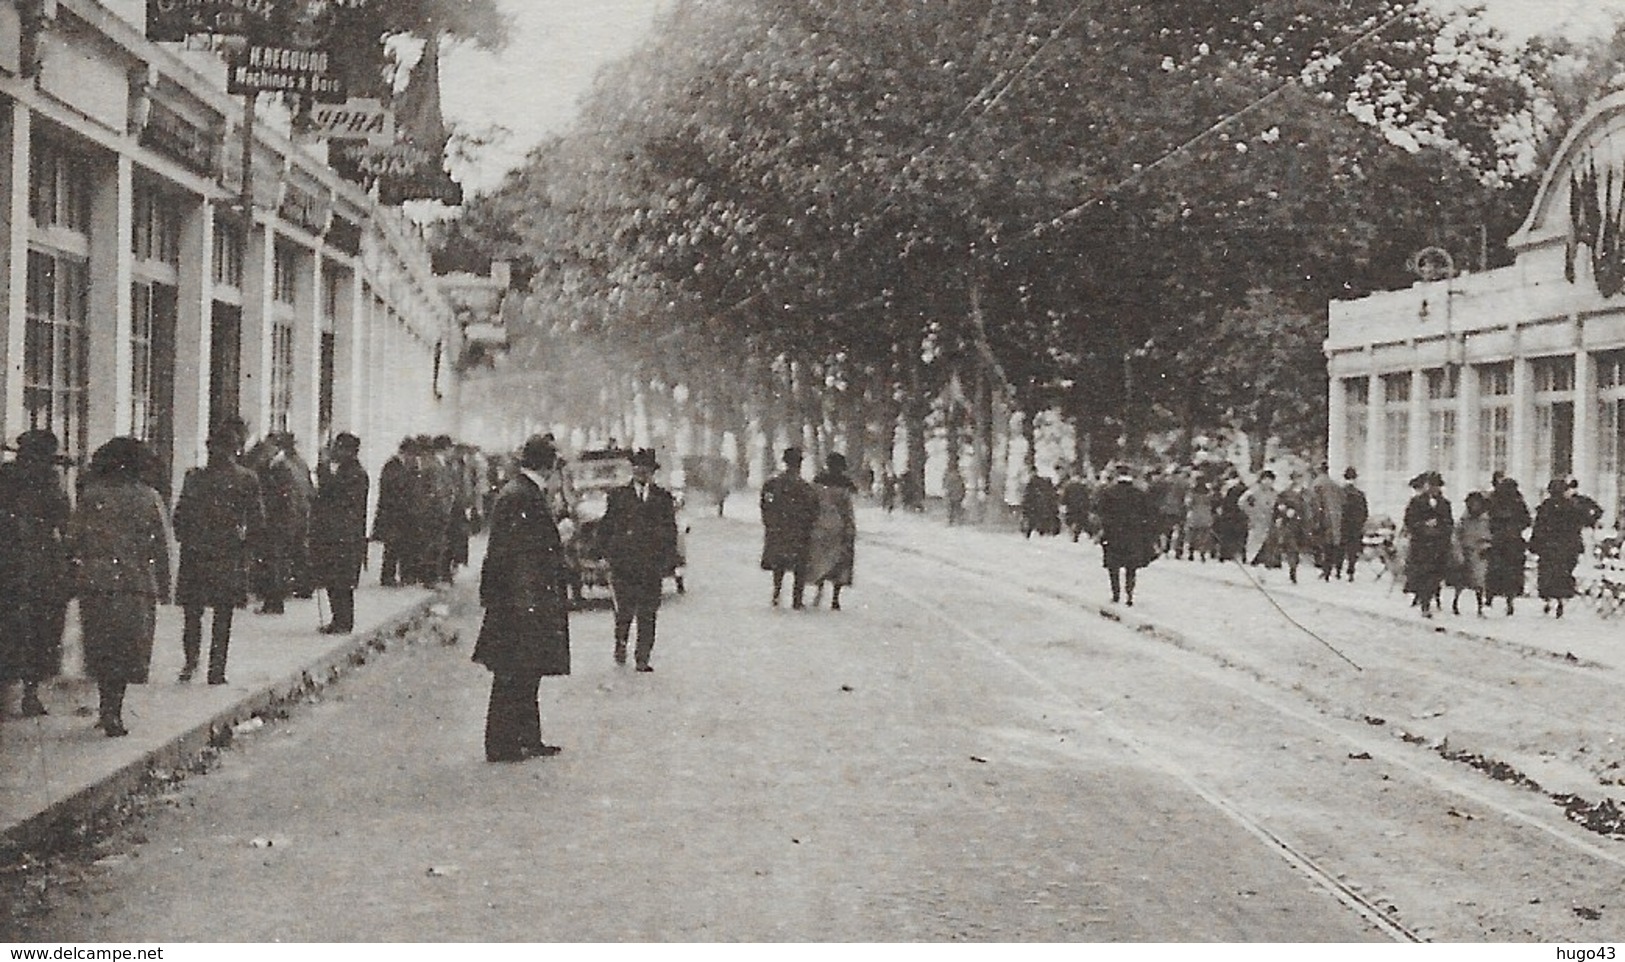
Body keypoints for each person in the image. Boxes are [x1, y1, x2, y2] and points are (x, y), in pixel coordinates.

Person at [473, 434, 571, 762]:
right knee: (514, 673)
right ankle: (503, 744)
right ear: (547, 464)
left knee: (526, 672)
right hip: (521, 600)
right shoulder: (523, 496)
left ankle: (527, 737)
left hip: (519, 598)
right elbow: (518, 555)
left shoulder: (521, 492)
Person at [69, 438, 171, 737]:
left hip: (96, 583)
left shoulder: (91, 495)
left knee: (101, 647)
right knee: (126, 649)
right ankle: (113, 711)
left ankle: (105, 709)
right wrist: (165, 586)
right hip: (135, 583)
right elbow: (163, 546)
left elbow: (73, 539)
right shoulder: (149, 496)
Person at [172, 421, 263, 684]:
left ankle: (192, 663)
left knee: (194, 613)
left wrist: (188, 538)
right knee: (221, 614)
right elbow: (257, 521)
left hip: (198, 553)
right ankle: (216, 669)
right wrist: (247, 549)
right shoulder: (246, 478)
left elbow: (179, 516)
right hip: (227, 552)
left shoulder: (194, 477)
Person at [0, 430, 71, 718]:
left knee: (13, 626)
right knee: (42, 628)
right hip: (39, 563)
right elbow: (64, 518)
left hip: (10, 560)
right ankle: (30, 693)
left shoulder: (7, 476)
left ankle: (13, 692)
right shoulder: (50, 480)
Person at [601, 448, 679, 670]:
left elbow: (669, 530)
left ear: (652, 472)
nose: (641, 473)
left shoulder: (663, 498)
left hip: (651, 564)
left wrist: (669, 560)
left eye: (646, 469)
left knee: (648, 611)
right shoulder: (618, 496)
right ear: (632, 470)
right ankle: (621, 642)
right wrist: (604, 553)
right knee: (624, 609)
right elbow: (607, 526)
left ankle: (643, 657)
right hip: (624, 563)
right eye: (637, 468)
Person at [311, 433, 370, 635]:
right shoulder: (348, 471)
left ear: (348, 451)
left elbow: (334, 496)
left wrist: (324, 471)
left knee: (341, 581)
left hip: (344, 536)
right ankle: (339, 619)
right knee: (335, 579)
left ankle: (343, 622)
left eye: (338, 447)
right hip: (339, 535)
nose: (334, 451)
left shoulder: (354, 474)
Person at [254, 432, 313, 613]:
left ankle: (274, 601)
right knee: (283, 559)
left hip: (281, 520)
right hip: (295, 518)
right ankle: (286, 593)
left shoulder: (281, 468)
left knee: (275, 560)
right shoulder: (297, 464)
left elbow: (284, 498)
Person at [759, 447, 818, 609]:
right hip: (799, 530)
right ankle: (797, 599)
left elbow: (765, 503)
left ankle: (777, 593)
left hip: (779, 528)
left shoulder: (773, 484)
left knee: (779, 563)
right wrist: (808, 525)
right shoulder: (806, 487)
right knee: (800, 564)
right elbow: (813, 509)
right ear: (799, 464)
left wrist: (769, 522)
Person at [1096, 463, 1155, 605]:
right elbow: (1147, 514)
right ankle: (1129, 594)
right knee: (1131, 567)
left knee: (1113, 566)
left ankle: (1116, 594)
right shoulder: (1139, 494)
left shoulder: (1108, 492)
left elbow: (1101, 512)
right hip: (1133, 534)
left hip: (1113, 533)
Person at [806, 452, 858, 610]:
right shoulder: (846, 483)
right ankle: (835, 597)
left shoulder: (819, 480)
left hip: (821, 524)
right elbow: (849, 507)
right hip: (840, 526)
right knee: (840, 561)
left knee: (821, 558)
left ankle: (819, 587)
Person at [1531, 478, 1588, 618]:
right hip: (1567, 547)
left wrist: (1535, 544)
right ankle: (1560, 600)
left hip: (1549, 547)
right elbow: (1580, 524)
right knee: (1563, 573)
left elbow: (1539, 527)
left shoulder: (1546, 507)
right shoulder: (1572, 506)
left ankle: (1549, 599)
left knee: (1548, 574)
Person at [1403, 471, 1452, 618]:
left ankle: (1429, 599)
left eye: (1436, 486)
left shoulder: (1444, 504)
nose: (1433, 488)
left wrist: (1440, 528)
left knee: (1435, 576)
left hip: (1438, 546)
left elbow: (1449, 523)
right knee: (1423, 574)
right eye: (1430, 485)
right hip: (1421, 545)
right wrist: (1423, 525)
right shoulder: (1416, 502)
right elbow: (1409, 521)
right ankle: (1425, 604)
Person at [1484, 476, 1531, 615]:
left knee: (1496, 571)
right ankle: (1508, 601)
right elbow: (1527, 520)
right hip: (1511, 542)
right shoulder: (1517, 502)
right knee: (1510, 573)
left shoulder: (1494, 501)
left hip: (1500, 542)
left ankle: (1491, 598)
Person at [372, 437, 412, 587]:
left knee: (398, 545)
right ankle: (387, 576)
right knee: (392, 546)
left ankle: (394, 575)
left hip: (399, 513)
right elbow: (392, 489)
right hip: (392, 513)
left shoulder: (399, 465)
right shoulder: (393, 466)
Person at [1448, 490, 1492, 617]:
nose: (1475, 506)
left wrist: (1486, 546)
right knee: (1460, 581)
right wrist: (1458, 551)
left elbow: (1488, 535)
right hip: (1465, 551)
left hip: (1479, 553)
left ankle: (1480, 607)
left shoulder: (1485, 519)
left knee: (1479, 581)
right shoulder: (1464, 519)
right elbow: (1456, 535)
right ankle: (1455, 603)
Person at [1306, 463, 1345, 581]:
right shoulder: (1335, 485)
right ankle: (1335, 569)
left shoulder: (1316, 484)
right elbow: (1343, 501)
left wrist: (1312, 519)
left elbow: (1312, 503)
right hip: (1335, 518)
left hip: (1322, 518)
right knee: (1333, 544)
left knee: (1321, 544)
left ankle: (1324, 569)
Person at [1270, 473, 1309, 583]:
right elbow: (1278, 507)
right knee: (1292, 547)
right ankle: (1292, 569)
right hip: (1289, 524)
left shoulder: (1306, 493)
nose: (1298, 481)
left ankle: (1292, 566)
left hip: (1302, 525)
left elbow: (1310, 508)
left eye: (1300, 478)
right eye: (1296, 478)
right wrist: (1283, 513)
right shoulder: (1285, 493)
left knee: (1296, 547)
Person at [1336, 468, 1369, 580]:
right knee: (1353, 550)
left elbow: (1337, 509)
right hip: (1355, 526)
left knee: (1340, 548)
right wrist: (1360, 523)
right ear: (1355, 479)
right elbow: (1365, 512)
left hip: (1343, 524)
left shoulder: (1340, 493)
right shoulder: (1360, 494)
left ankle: (1338, 570)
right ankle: (1351, 572)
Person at [1240, 470, 1278, 566]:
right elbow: (1242, 502)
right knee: (1252, 539)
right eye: (1266, 480)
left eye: (1270, 480)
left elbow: (1276, 505)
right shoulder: (1254, 491)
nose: (1268, 482)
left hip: (1267, 520)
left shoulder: (1274, 493)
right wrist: (1250, 513)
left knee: (1263, 539)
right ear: (1261, 480)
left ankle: (1258, 559)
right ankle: (1248, 558)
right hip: (1255, 519)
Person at [1020, 469, 1060, 538]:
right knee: (1040, 519)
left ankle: (1031, 533)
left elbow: (1027, 496)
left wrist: (1025, 505)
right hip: (1040, 507)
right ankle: (1042, 531)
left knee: (1033, 520)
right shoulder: (1042, 485)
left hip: (1034, 507)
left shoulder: (1032, 484)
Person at [1182, 480, 1214, 561]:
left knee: (1193, 534)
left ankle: (1191, 552)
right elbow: (1212, 504)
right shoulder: (1208, 495)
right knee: (1204, 534)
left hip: (1194, 516)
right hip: (1206, 516)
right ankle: (1202, 552)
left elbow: (1187, 504)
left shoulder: (1192, 495)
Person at [1060, 469, 1093, 543]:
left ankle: (1075, 531)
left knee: (1072, 520)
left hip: (1071, 507)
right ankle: (1084, 533)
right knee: (1081, 521)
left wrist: (1063, 503)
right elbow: (1087, 498)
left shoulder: (1068, 486)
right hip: (1082, 508)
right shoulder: (1084, 487)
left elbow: (1064, 498)